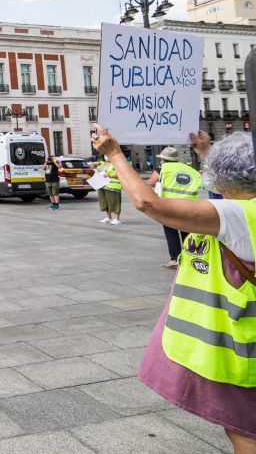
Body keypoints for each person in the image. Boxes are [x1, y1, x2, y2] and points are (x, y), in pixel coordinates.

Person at [91, 126, 255, 453]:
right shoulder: (245, 208)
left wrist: (114, 154)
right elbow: (235, 184)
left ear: (227, 178)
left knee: (246, 432)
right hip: (236, 343)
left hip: (240, 349)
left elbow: (151, 204)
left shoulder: (239, 216)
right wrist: (206, 150)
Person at [147, 146, 203, 269]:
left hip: (170, 206)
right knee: (187, 231)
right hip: (189, 206)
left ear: (163, 159)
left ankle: (175, 258)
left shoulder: (162, 168)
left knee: (171, 232)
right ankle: (191, 257)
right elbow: (202, 183)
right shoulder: (189, 169)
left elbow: (150, 182)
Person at [94, 156, 123, 225]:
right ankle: (108, 217)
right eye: (105, 154)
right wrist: (94, 166)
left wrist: (109, 175)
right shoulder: (101, 164)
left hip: (113, 186)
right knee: (105, 202)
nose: (106, 156)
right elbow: (96, 170)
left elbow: (120, 173)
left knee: (115, 201)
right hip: (102, 185)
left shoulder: (116, 164)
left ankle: (117, 218)